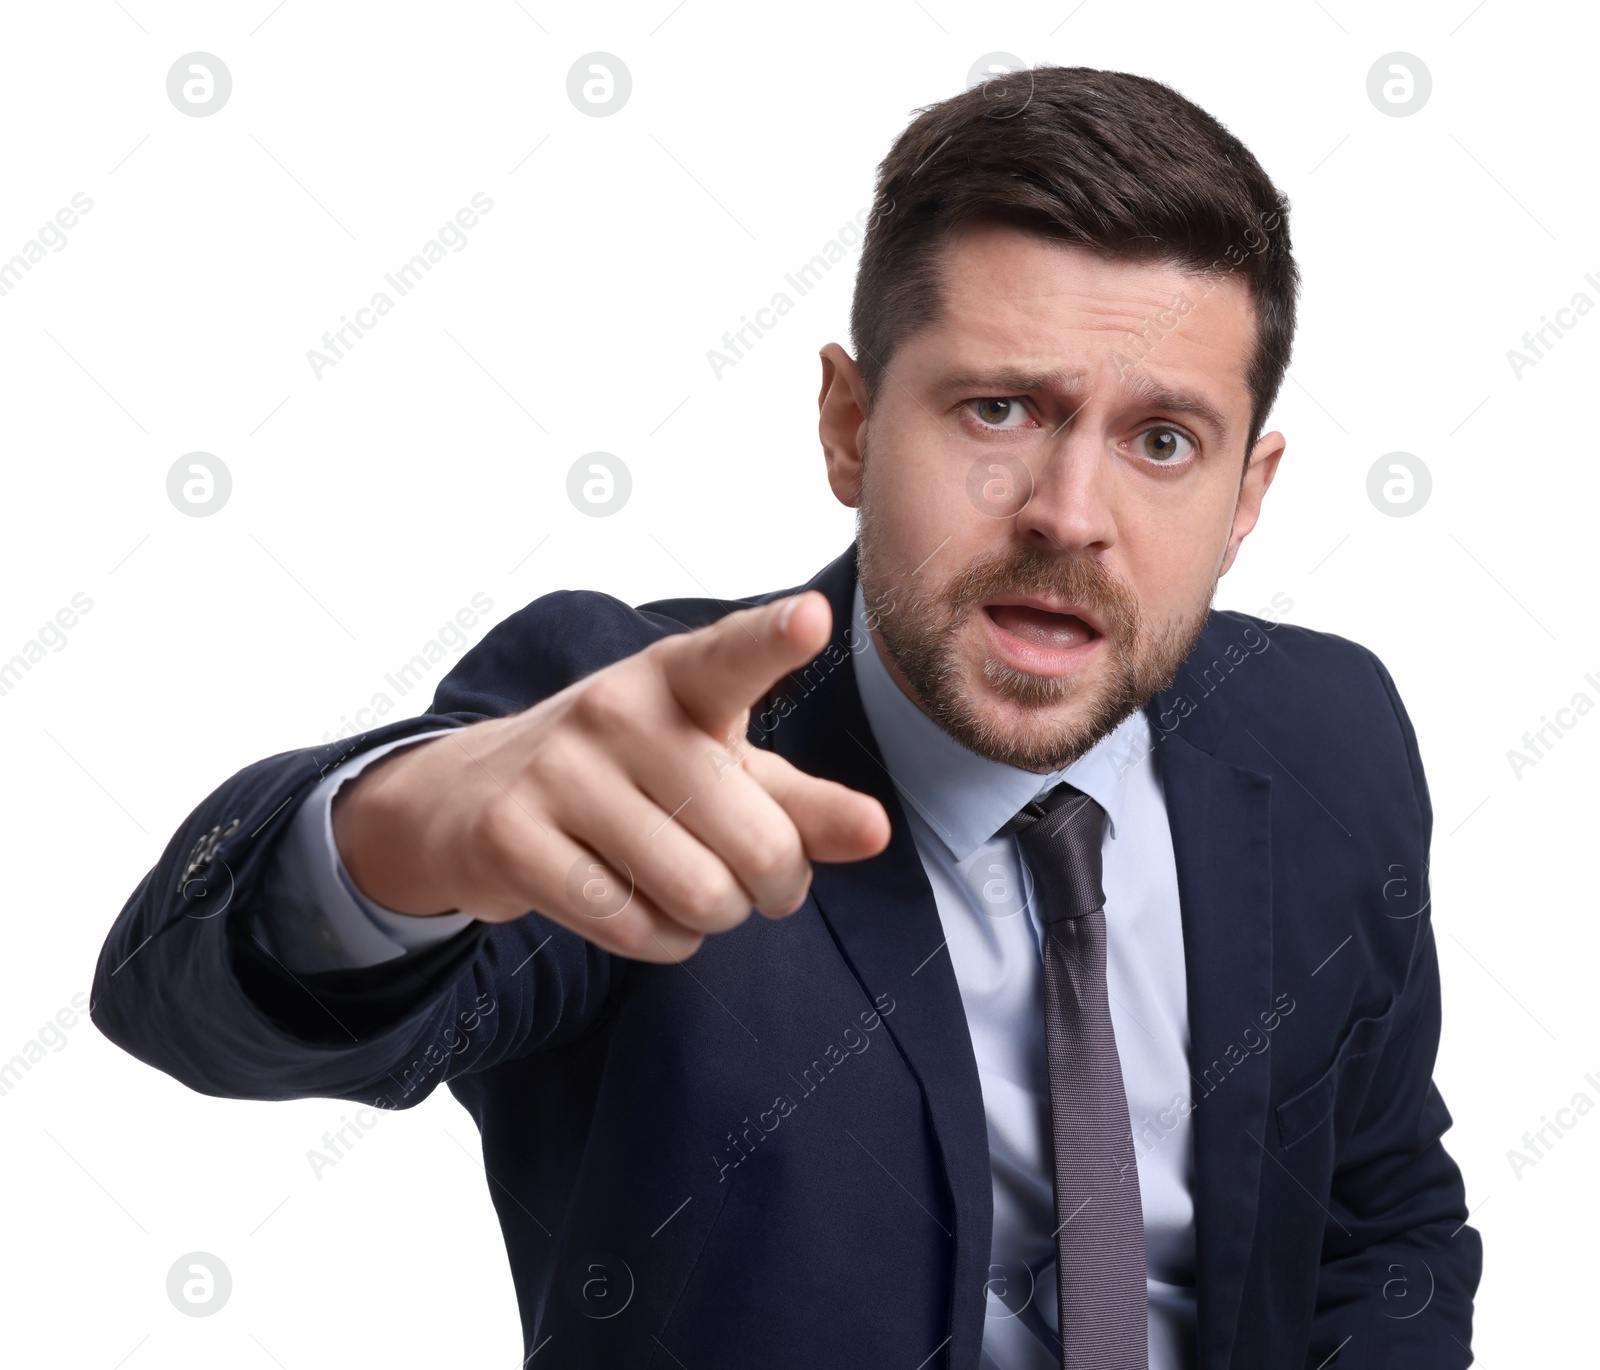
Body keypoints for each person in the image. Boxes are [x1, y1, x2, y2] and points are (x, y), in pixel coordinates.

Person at [92, 65, 1480, 1369]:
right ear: (849, 424)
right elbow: (193, 1008)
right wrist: (398, 831)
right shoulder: (643, 738)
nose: (1072, 513)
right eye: (999, 410)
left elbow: (1384, 1207)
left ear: (1249, 495)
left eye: (1163, 441)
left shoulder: (1330, 728)